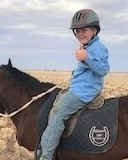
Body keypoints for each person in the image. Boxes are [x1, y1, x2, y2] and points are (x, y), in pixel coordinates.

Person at [40, 9, 110, 160]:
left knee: (58, 115)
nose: (80, 34)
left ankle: (46, 156)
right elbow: (86, 72)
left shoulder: (98, 48)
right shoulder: (87, 47)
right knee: (56, 103)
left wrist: (86, 58)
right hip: (78, 88)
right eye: (77, 31)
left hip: (84, 92)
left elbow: (103, 69)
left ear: (94, 30)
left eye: (83, 30)